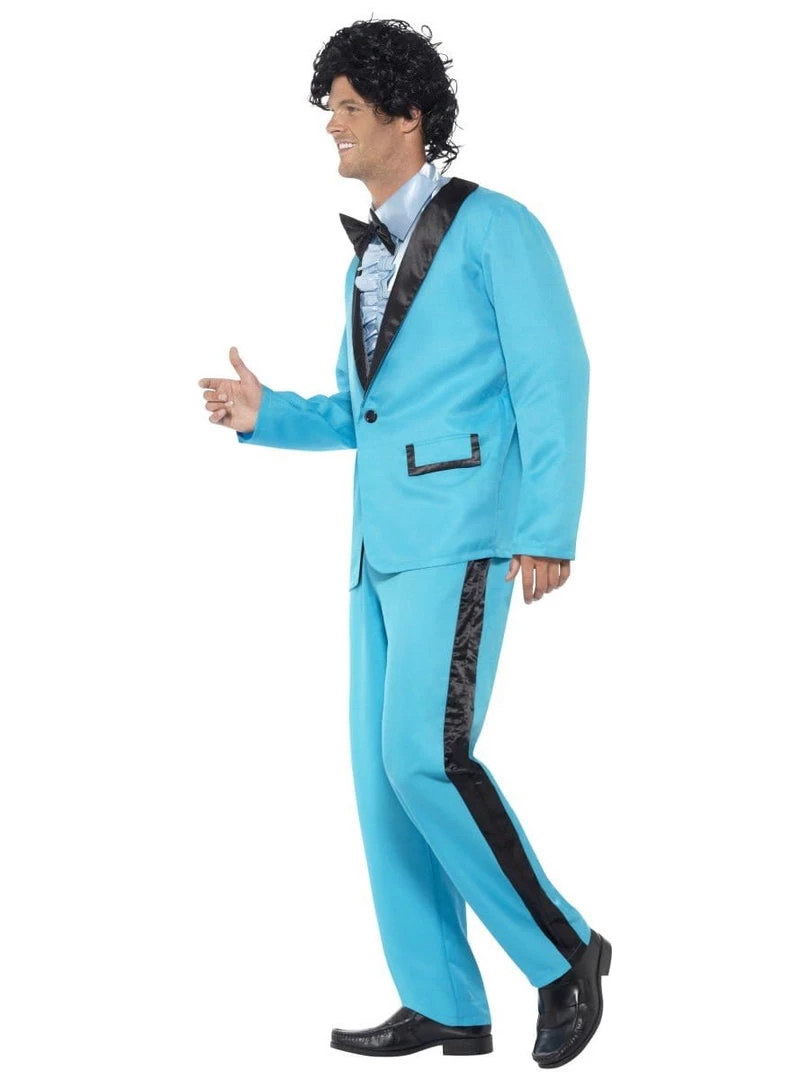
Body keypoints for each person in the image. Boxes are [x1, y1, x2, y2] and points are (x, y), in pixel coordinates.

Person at [198, 17, 610, 1068]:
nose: (330, 126)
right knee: (384, 787)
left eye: (346, 106)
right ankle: (443, 1001)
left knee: (424, 758)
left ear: (406, 113)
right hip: (375, 551)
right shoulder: (362, 266)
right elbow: (359, 410)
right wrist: (266, 414)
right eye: (329, 108)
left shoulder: (498, 227)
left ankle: (565, 952)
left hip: (462, 535)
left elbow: (553, 375)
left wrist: (547, 524)